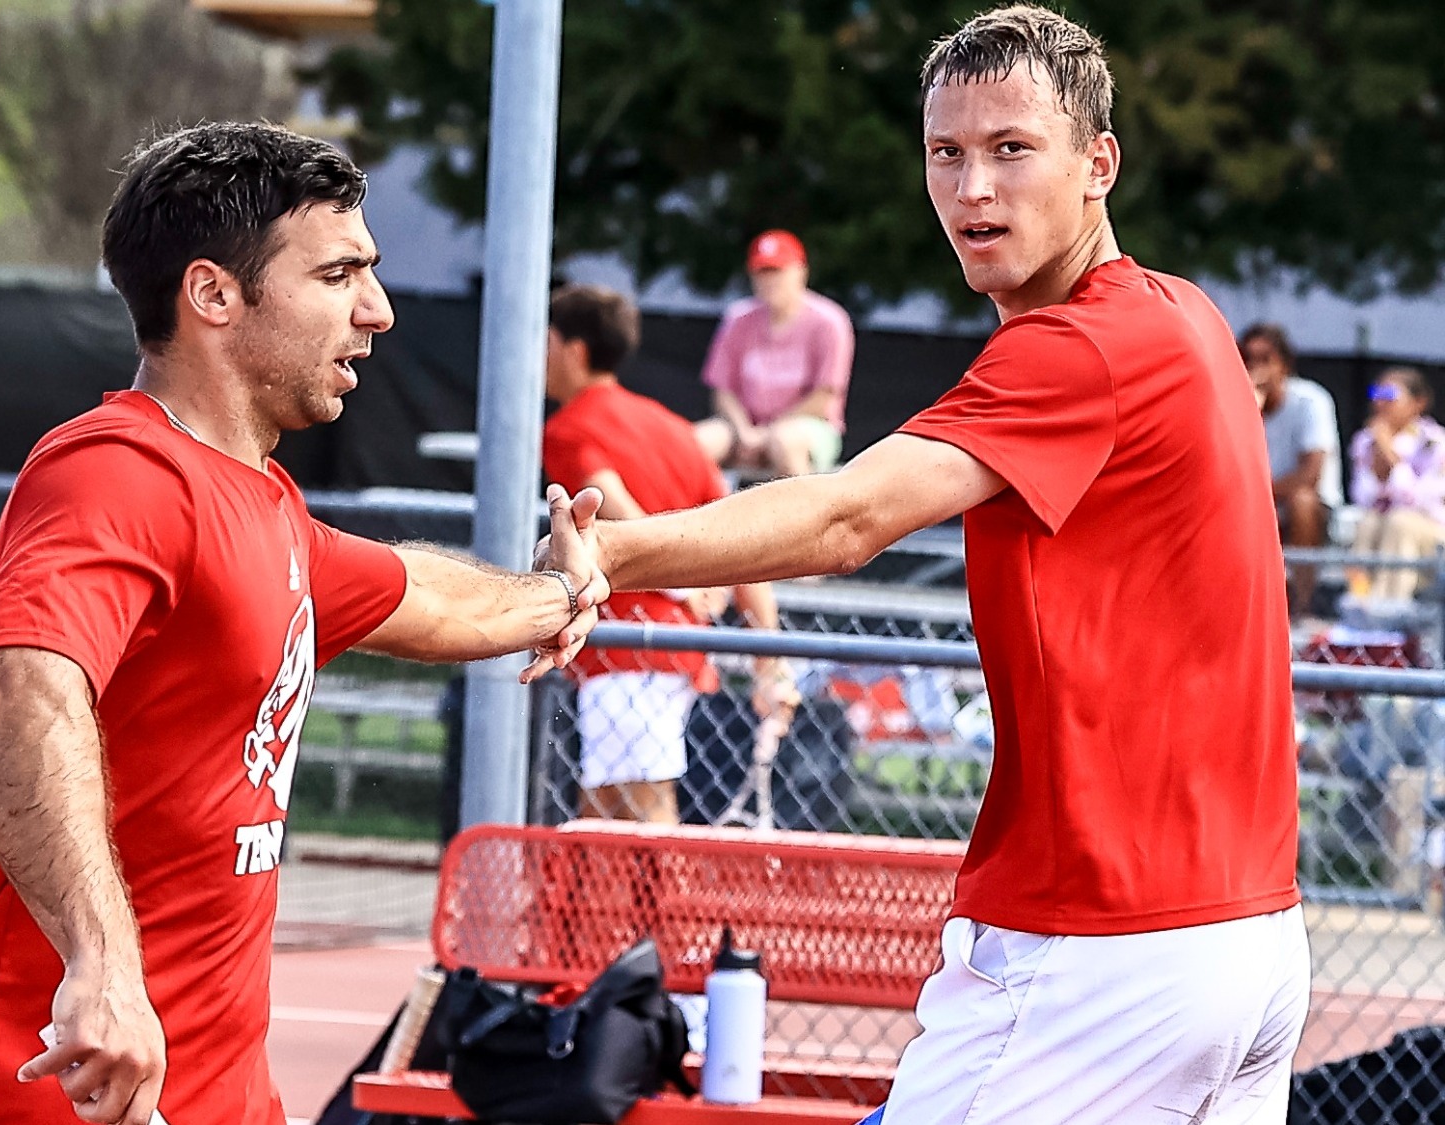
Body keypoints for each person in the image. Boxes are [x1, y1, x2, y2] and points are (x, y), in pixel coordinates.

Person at [556, 8, 1309, 1122]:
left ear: (1097, 164)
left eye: (1011, 150)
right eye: (945, 154)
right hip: (1246, 942)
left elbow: (847, 514)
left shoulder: (1075, 346)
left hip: (1105, 949)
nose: (972, 191)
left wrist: (610, 552)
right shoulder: (1182, 315)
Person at [0, 122, 606, 1125]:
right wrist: (104, 964)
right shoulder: (114, 472)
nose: (375, 311)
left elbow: (433, 597)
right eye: (339, 275)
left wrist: (563, 591)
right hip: (36, 1088)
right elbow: (21, 693)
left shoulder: (268, 510)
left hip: (212, 1094)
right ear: (213, 294)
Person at [540, 284, 795, 824]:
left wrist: (682, 585)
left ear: (575, 351)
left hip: (630, 644)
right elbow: (745, 543)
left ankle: (663, 913)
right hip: (661, 647)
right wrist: (768, 662)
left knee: (642, 807)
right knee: (608, 809)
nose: (538, 356)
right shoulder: (673, 429)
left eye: (547, 342)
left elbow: (607, 502)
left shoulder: (569, 426)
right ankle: (582, 909)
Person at [692, 229, 855, 478]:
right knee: (692, 443)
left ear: (801, 271)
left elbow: (823, 397)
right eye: (762, 272)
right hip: (743, 426)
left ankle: (804, 514)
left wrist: (767, 432)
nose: (770, 281)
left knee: (785, 442)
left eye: (777, 271)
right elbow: (722, 391)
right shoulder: (738, 319)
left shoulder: (829, 322)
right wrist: (745, 431)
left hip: (808, 425)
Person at [1242, 321, 1340, 610]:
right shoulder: (1237, 400)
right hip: (1256, 501)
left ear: (1284, 365)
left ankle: (1302, 603)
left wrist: (1260, 496)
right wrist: (1248, 411)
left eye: (1265, 360)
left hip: (1306, 507)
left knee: (1302, 501)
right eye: (1248, 359)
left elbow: (1310, 474)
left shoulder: (1311, 400)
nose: (1255, 368)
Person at [1348, 366, 1445, 601]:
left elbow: (1417, 498)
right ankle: (1359, 600)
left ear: (1418, 402)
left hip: (1430, 530)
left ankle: (1390, 605)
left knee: (1400, 522)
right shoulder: (1364, 440)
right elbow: (1362, 495)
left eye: (1389, 395)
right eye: (1375, 393)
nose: (1380, 402)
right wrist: (1379, 456)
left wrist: (1391, 458)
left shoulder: (1435, 442)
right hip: (1383, 522)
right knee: (1368, 523)